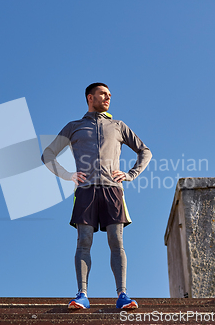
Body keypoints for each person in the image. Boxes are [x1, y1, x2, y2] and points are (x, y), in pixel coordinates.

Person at [41, 82, 152, 309]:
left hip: (113, 190)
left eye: (110, 94)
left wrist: (131, 174)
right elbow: (48, 154)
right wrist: (67, 174)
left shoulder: (118, 126)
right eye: (103, 94)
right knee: (84, 242)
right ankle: (82, 294)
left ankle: (123, 295)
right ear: (90, 98)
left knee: (116, 241)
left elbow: (145, 151)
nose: (108, 97)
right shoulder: (74, 126)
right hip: (85, 190)